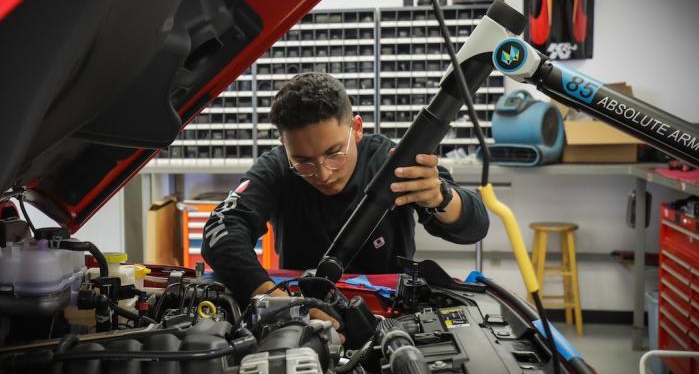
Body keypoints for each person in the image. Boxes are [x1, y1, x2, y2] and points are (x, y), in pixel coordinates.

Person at [200, 71, 489, 328]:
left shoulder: (388, 162)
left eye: (334, 153)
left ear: (357, 128)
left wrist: (440, 197)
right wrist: (275, 300)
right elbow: (221, 229)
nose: (323, 174)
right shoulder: (276, 169)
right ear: (284, 146)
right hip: (305, 316)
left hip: (390, 315)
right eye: (303, 161)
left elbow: (476, 226)